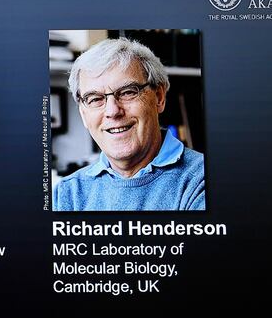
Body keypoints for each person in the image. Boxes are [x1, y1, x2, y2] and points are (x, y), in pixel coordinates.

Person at [53, 37, 205, 211]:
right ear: (83, 113)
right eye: (95, 99)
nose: (112, 111)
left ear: (159, 97)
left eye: (127, 92)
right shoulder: (66, 193)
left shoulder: (202, 179)